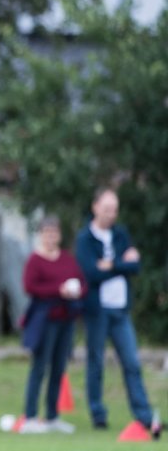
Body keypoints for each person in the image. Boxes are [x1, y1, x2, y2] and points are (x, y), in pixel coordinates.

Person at [74, 187, 161, 436]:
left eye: (115, 209)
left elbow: (135, 266)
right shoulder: (85, 239)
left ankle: (144, 417)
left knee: (132, 362)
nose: (112, 214)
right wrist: (121, 265)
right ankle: (98, 415)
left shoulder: (121, 234)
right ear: (95, 207)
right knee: (96, 363)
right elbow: (91, 273)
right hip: (97, 310)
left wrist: (111, 265)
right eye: (107, 209)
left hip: (120, 310)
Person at [16, 216, 85, 434]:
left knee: (59, 368)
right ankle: (30, 416)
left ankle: (53, 416)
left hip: (65, 319)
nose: (51, 237)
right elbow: (30, 287)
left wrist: (75, 291)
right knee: (39, 367)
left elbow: (82, 282)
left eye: (54, 233)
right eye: (47, 233)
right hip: (45, 320)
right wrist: (59, 290)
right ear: (41, 235)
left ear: (59, 236)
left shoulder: (67, 259)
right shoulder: (35, 260)